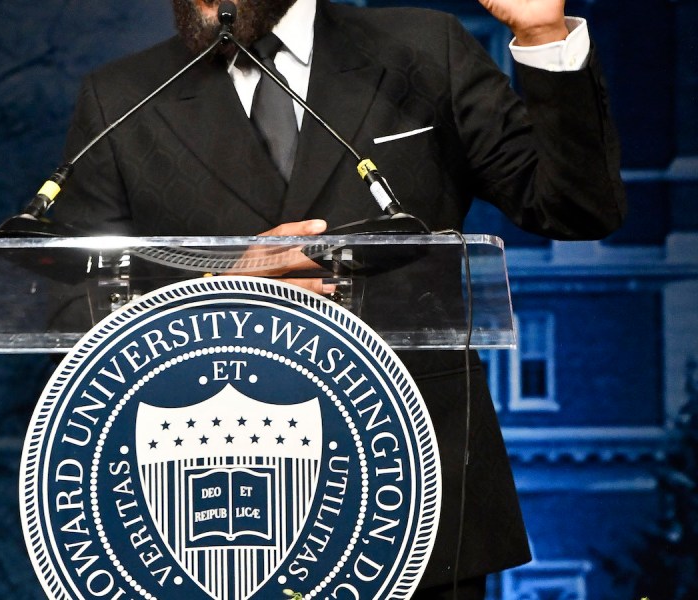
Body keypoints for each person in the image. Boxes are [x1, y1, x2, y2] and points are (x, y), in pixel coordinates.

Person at [54, 0, 626, 597]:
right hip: (210, 519)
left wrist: (542, 35)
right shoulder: (122, 95)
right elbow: (69, 313)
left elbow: (576, 208)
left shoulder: (425, 48)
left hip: (418, 500)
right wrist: (218, 301)